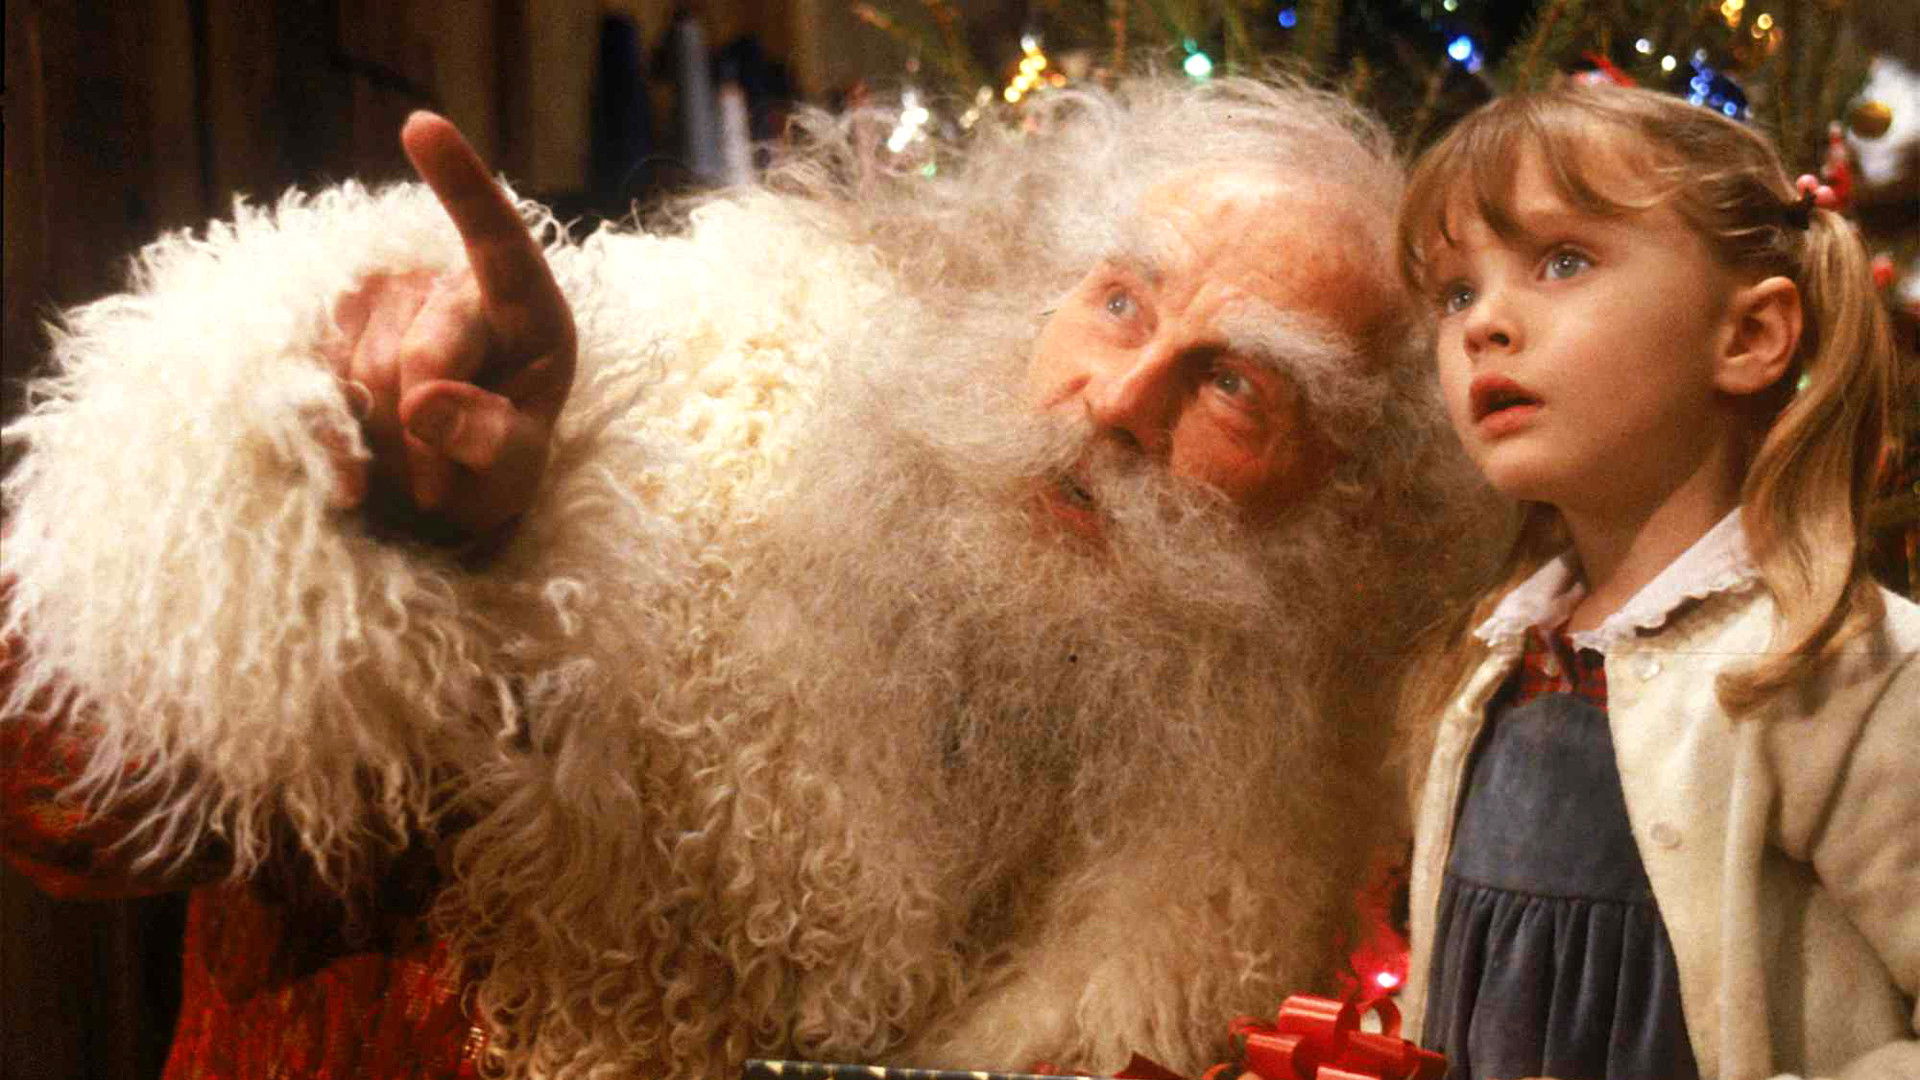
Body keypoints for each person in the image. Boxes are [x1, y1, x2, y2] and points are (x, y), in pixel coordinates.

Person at [1, 76, 1493, 1080]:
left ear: (1349, 501)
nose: (1114, 400)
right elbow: (60, 797)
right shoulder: (656, 378)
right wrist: (374, 530)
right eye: (1118, 302)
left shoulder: (1287, 796)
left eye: (1234, 385)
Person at [1393, 84, 1919, 1079]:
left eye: (1563, 261)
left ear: (1749, 337)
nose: (1482, 324)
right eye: (1455, 292)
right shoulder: (1494, 663)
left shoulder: (1843, 668)